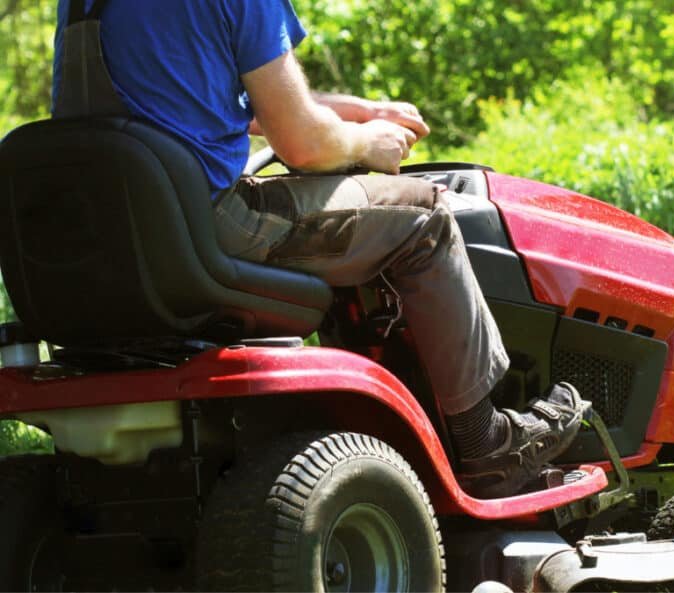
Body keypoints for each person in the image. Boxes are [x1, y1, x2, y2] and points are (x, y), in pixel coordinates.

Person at [51, 0, 586, 498]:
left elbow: (215, 102)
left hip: (107, 243)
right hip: (208, 224)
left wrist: (363, 111)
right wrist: (367, 143)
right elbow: (303, 145)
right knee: (425, 217)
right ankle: (485, 442)